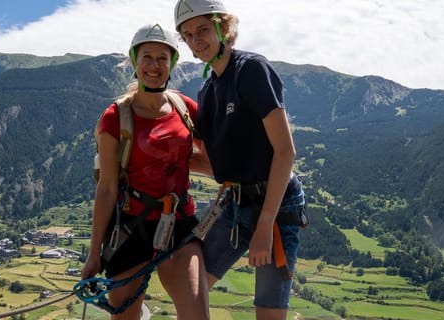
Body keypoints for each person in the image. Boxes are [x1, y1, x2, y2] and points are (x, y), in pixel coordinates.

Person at [174, 0, 306, 319]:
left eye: (203, 30)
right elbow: (216, 166)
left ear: (224, 28)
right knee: (190, 288)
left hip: (276, 208)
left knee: (269, 312)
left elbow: (285, 151)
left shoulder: (251, 70)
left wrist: (263, 225)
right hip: (236, 205)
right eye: (188, 35)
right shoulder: (208, 91)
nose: (196, 41)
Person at [80, 23, 209, 320]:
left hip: (178, 223)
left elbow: (213, 162)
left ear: (172, 64)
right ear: (135, 63)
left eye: (162, 58)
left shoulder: (184, 108)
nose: (154, 65)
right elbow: (108, 188)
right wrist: (93, 252)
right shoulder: (116, 117)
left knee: (197, 316)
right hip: (131, 226)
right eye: (147, 57)